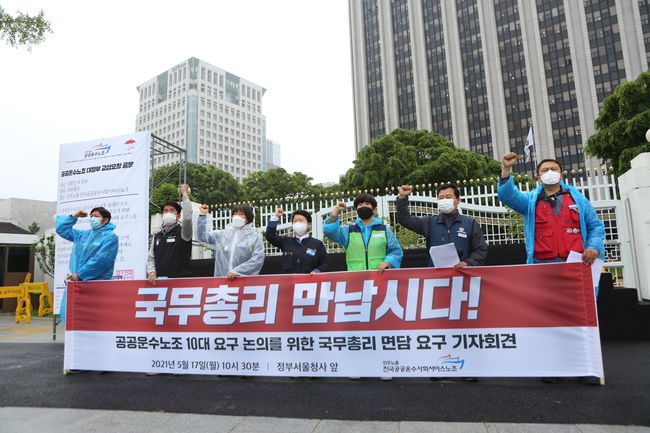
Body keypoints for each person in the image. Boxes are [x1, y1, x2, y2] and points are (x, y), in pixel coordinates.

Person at [497, 152, 605, 267]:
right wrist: (506, 168)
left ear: (561, 175)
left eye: (554, 169)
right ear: (539, 178)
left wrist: (593, 246)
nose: (550, 172)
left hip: (575, 261)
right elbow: (508, 196)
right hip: (541, 263)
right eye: (545, 170)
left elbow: (595, 226)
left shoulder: (578, 199)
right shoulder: (530, 201)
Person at [396, 183, 488, 268]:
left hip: (462, 275)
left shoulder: (470, 223)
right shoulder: (429, 222)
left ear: (457, 201)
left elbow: (480, 249)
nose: (444, 200)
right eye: (441, 198)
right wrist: (402, 198)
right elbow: (405, 220)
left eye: (448, 197)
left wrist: (469, 263)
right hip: (436, 276)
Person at [55, 207, 119, 325]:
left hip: (98, 284)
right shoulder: (83, 235)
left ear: (105, 220)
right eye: (91, 216)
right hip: (79, 282)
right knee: (79, 318)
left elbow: (102, 260)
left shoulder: (110, 237)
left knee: (97, 318)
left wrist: (81, 274)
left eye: (96, 216)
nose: (92, 218)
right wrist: (74, 216)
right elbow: (61, 230)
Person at [323, 193, 403, 273]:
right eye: (360, 204)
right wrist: (336, 210)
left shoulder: (384, 230)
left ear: (374, 209)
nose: (363, 206)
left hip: (379, 276)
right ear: (356, 209)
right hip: (356, 277)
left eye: (367, 204)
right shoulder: (348, 231)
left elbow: (396, 251)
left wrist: (387, 262)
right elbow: (329, 231)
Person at [197, 203, 264, 280]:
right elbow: (203, 236)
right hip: (223, 280)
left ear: (248, 218)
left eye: (241, 214)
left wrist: (238, 271)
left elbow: (258, 258)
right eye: (235, 214)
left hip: (244, 280)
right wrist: (202, 215)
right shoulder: (222, 235)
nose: (237, 216)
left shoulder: (254, 237)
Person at [147, 184, 193, 285]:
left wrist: (184, 194)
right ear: (162, 215)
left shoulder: (184, 232)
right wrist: (151, 272)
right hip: (160, 283)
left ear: (178, 216)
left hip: (181, 283)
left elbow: (188, 216)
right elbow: (151, 258)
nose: (168, 213)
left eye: (172, 211)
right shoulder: (157, 236)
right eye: (165, 211)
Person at [265, 208, 328, 274]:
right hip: (288, 279)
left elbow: (325, 263)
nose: (297, 223)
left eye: (301, 220)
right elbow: (270, 236)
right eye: (295, 221)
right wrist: (275, 216)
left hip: (309, 279)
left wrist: (317, 271)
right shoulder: (286, 241)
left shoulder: (317, 244)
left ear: (309, 224)